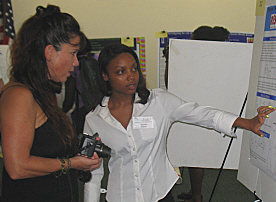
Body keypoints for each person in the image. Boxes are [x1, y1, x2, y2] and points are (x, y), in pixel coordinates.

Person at [83, 43, 274, 202]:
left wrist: (248, 123)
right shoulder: (95, 119)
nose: (131, 76)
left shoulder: (158, 102)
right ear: (105, 76)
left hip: (160, 193)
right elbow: (92, 172)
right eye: (120, 71)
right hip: (121, 196)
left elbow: (202, 114)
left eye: (134, 68)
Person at [0, 5, 101, 202]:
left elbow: (44, 148)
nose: (76, 63)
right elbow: (17, 167)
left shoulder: (41, 92)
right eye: (72, 53)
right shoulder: (19, 95)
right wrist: (70, 163)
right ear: (49, 52)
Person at [177, 25, 230, 202]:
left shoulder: (202, 60)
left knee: (196, 157)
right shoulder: (219, 59)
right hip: (201, 111)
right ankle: (195, 193)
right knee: (195, 157)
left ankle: (197, 196)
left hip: (202, 113)